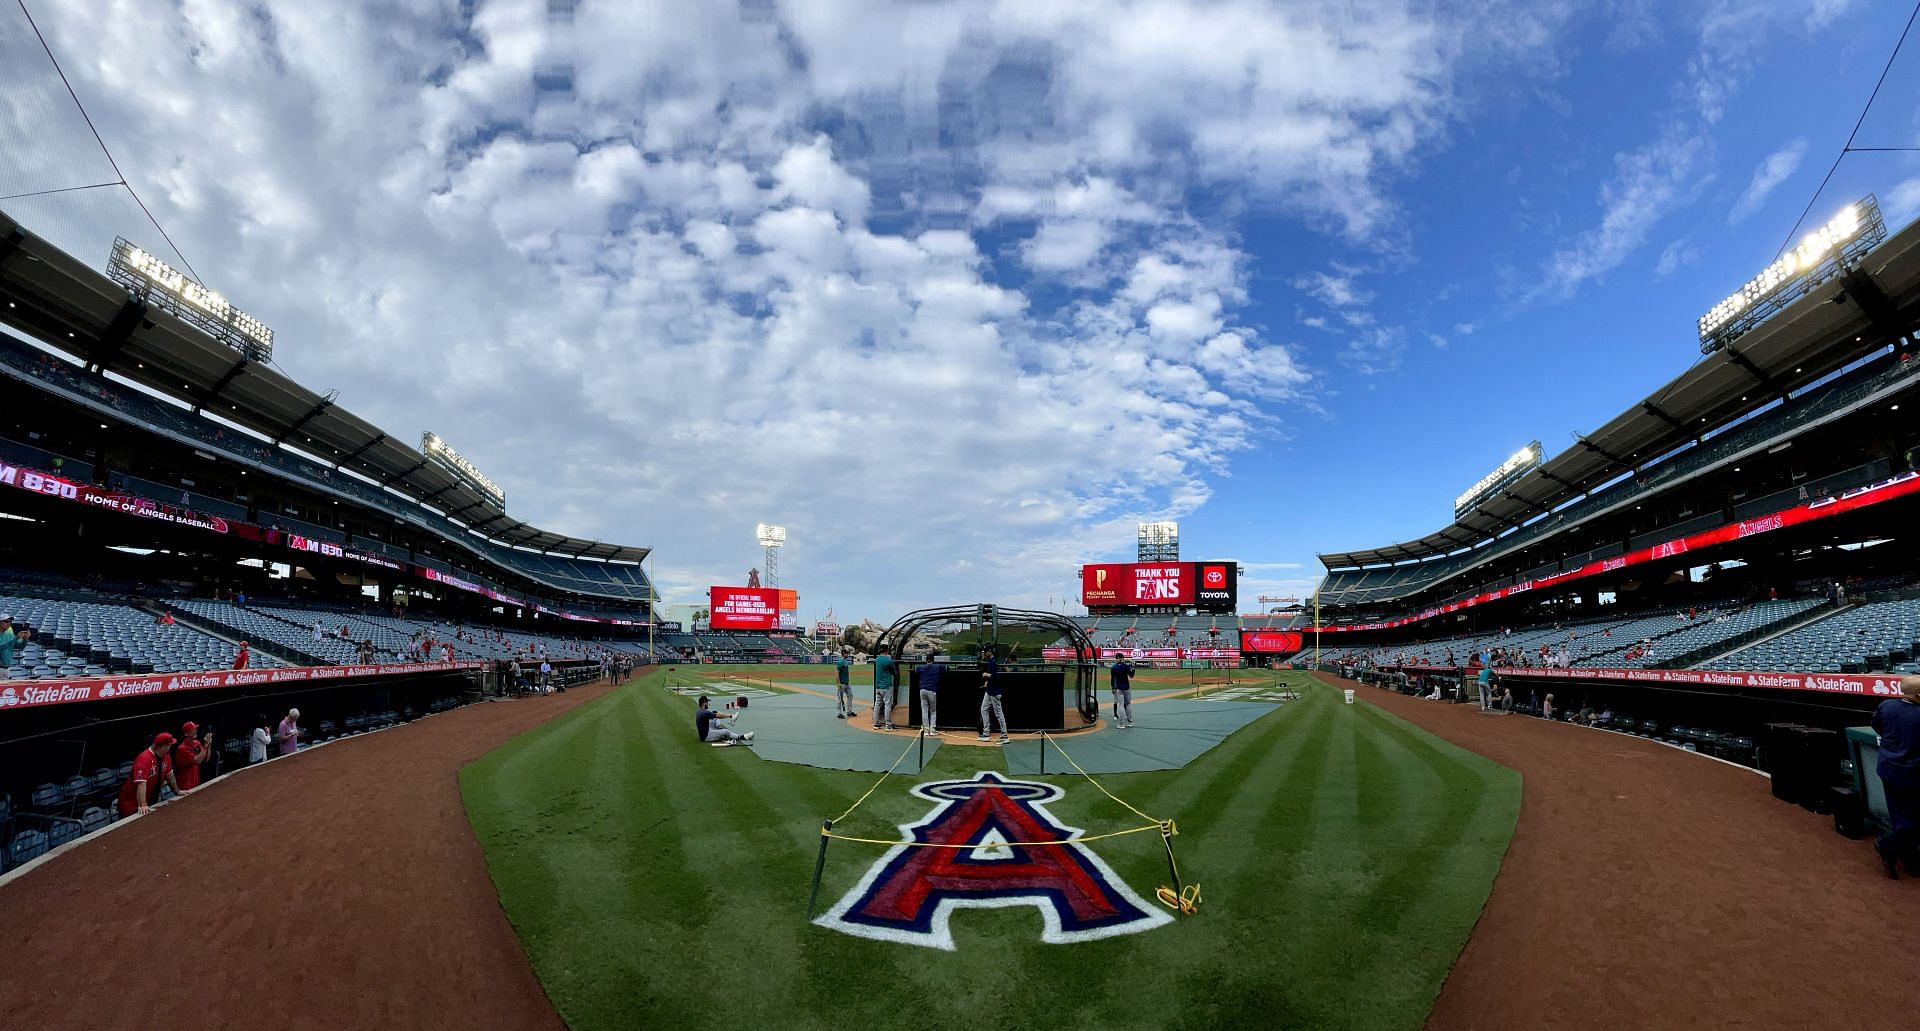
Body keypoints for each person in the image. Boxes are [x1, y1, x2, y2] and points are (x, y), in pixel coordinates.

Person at [1870, 675, 1920, 879]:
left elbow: (1876, 724)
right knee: (1913, 820)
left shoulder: (1886, 705)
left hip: (1887, 768)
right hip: (1910, 774)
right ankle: (1887, 845)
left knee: (1899, 815)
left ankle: (1910, 860)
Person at [117, 733, 184, 817]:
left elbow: (170, 775)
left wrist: (177, 791)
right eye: (169, 745)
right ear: (161, 747)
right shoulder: (144, 759)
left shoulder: (166, 756)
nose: (170, 747)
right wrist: (143, 804)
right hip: (131, 804)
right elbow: (141, 783)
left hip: (150, 799)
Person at [978, 647, 1009, 743]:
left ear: (989, 652)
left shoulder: (994, 662)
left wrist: (987, 675)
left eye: (985, 652)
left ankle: (1004, 736)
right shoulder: (991, 662)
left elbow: (996, 676)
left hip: (995, 691)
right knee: (983, 709)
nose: (983, 654)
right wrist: (988, 681)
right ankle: (986, 732)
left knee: (998, 713)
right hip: (989, 690)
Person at [173, 721, 208, 791]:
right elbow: (197, 761)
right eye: (192, 730)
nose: (195, 731)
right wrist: (205, 747)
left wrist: (208, 744)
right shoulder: (182, 749)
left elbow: (206, 759)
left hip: (196, 782)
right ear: (186, 734)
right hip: (185, 785)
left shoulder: (196, 743)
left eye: (195, 729)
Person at [872, 650, 897, 731]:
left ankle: (876, 723)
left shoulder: (877, 659)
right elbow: (894, 672)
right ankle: (888, 725)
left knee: (877, 704)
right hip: (886, 685)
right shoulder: (888, 660)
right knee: (887, 705)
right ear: (887, 650)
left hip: (878, 685)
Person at [918, 657, 943, 736]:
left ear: (926, 660)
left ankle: (926, 731)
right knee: (933, 711)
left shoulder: (922, 667)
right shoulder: (937, 667)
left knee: (924, 711)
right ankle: (932, 730)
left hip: (922, 690)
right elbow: (947, 668)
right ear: (933, 660)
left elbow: (915, 669)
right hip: (932, 691)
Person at [1110, 656, 1136, 729]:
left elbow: (1112, 679)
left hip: (1119, 688)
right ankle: (1130, 722)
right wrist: (1133, 667)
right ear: (1122, 659)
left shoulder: (1114, 668)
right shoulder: (1126, 666)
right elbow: (1132, 675)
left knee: (1121, 705)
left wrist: (1112, 687)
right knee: (1128, 703)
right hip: (1126, 687)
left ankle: (1122, 724)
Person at [833, 650, 855, 719]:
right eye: (846, 654)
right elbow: (837, 672)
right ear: (843, 654)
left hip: (847, 683)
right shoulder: (840, 662)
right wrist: (838, 683)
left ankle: (849, 711)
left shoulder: (846, 662)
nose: (848, 655)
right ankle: (839, 713)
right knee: (840, 699)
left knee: (850, 695)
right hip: (841, 684)